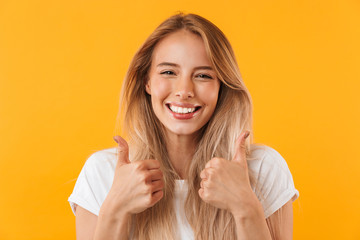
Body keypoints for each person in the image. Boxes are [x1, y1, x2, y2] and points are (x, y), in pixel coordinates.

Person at [68, 13, 299, 240]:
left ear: (222, 87)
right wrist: (115, 209)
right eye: (168, 72)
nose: (184, 90)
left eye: (203, 76)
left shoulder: (263, 169)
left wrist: (246, 207)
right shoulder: (102, 173)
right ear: (146, 81)